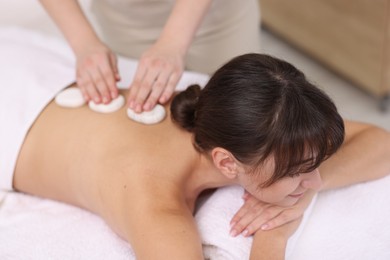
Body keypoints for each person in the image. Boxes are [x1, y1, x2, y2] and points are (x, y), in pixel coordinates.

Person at [4, 53, 390, 259]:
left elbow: (381, 142)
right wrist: (274, 234)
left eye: (315, 165)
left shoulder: (249, 118)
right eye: (298, 173)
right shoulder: (155, 206)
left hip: (41, 79)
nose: (316, 181)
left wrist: (300, 192)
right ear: (226, 162)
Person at [38, 0, 261, 114]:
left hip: (216, 17)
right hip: (126, 17)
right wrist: (84, 42)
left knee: (240, 108)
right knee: (150, 105)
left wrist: (174, 41)